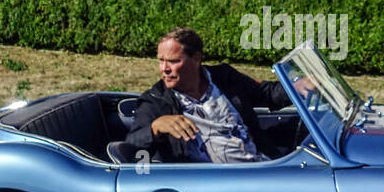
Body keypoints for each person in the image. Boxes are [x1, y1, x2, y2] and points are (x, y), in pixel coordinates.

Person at [124, 27, 293, 164]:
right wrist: (155, 128)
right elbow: (132, 147)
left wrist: (297, 88)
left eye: (173, 61)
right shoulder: (155, 100)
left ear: (196, 59)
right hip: (210, 187)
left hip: (263, 167)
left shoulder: (224, 77)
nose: (164, 69)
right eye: (161, 60)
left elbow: (266, 93)